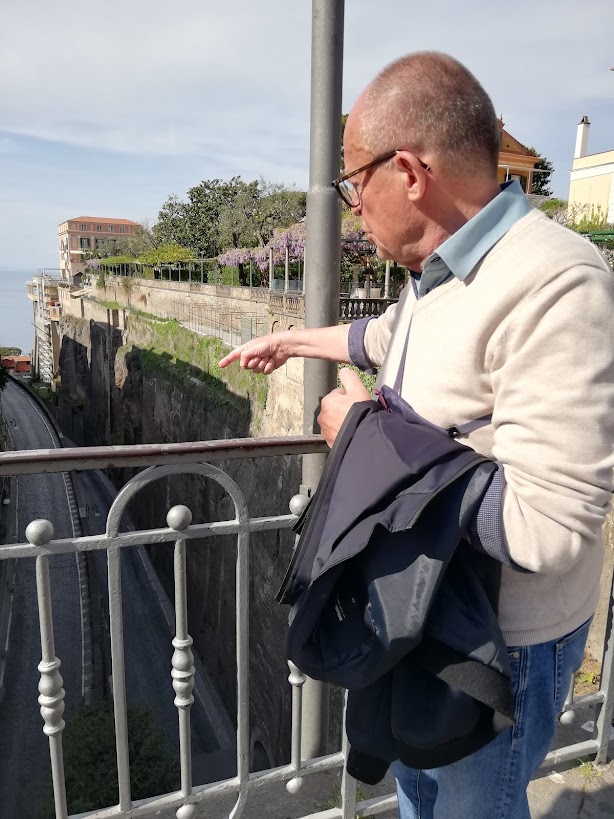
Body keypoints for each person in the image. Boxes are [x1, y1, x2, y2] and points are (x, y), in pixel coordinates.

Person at [219, 51, 614, 819]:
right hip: (425, 615)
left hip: (498, 643)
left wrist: (364, 435)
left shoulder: (557, 281)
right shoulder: (439, 274)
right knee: (416, 798)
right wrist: (298, 342)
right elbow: (387, 335)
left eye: (353, 184)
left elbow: (551, 526)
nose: (352, 207)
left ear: (408, 171)